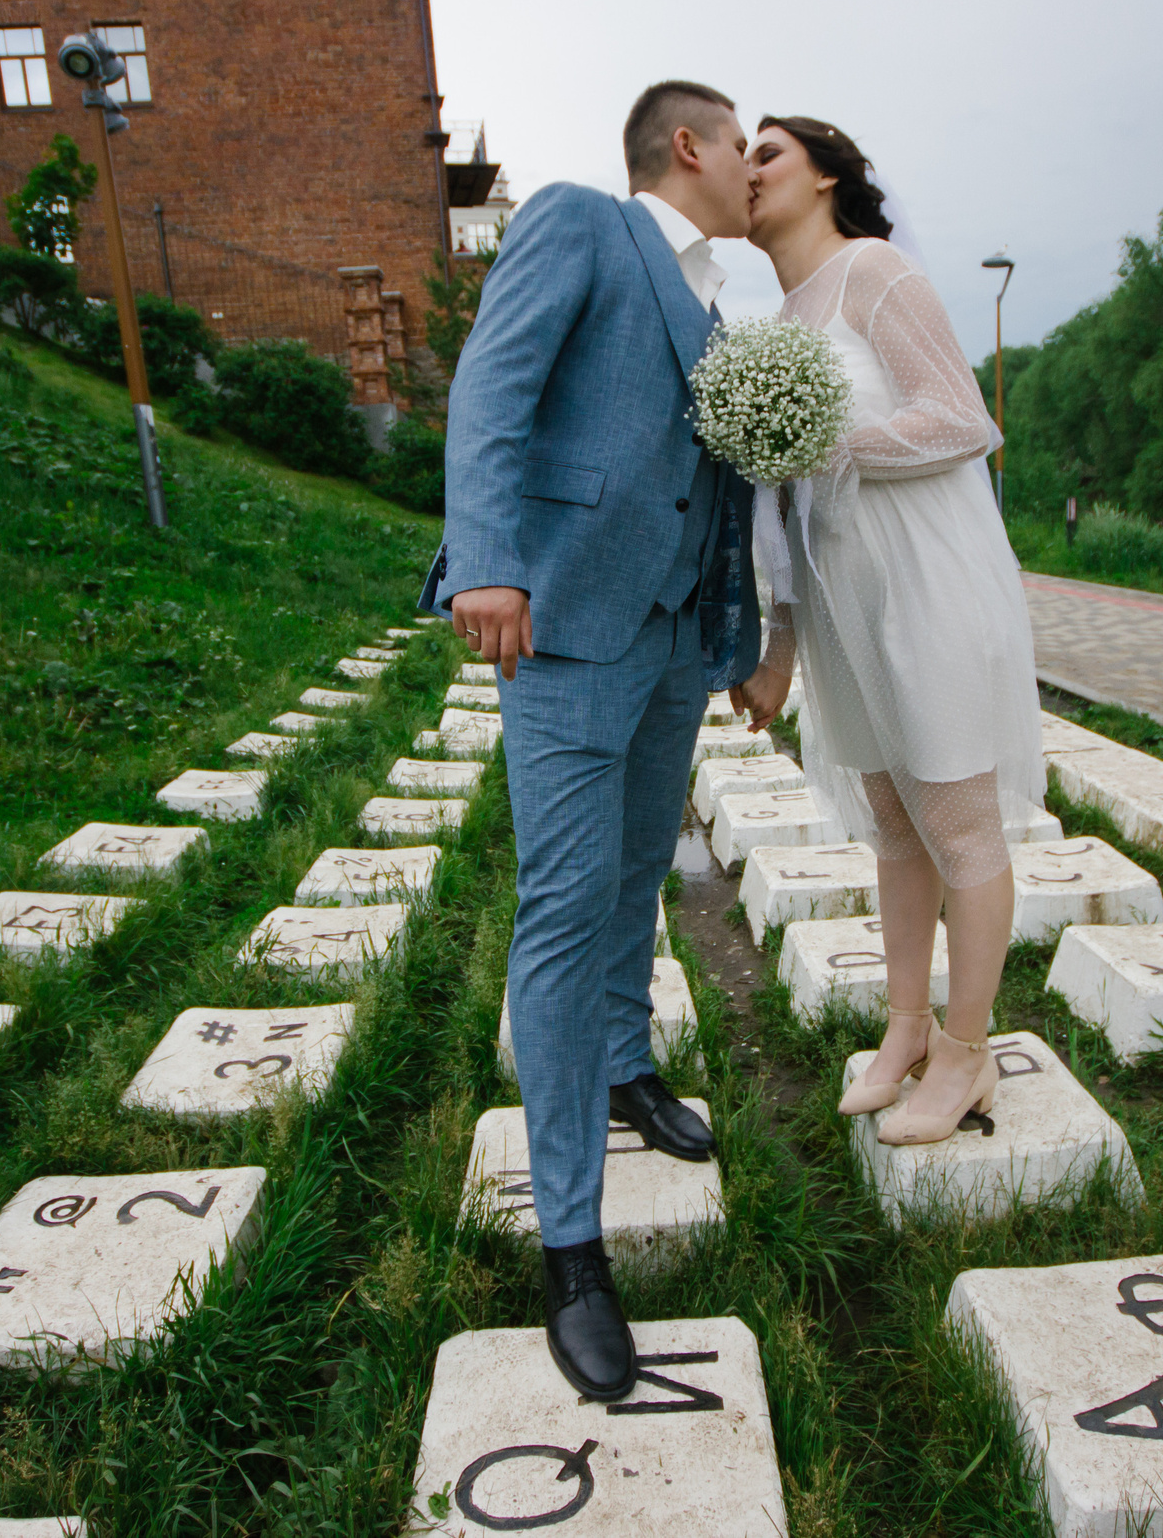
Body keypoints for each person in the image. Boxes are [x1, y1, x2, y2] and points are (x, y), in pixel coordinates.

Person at [420, 80, 764, 1403]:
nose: (752, 168)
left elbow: (716, 496)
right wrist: (487, 558)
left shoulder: (720, 311)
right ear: (687, 146)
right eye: (740, 145)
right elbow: (492, 387)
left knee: (636, 877)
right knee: (564, 909)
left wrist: (741, 633)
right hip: (561, 619)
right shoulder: (579, 221)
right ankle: (571, 1245)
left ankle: (626, 1066)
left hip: (672, 638)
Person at [733, 115, 1046, 1147]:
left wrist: (834, 440)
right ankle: (905, 1025)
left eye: (768, 153)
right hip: (843, 609)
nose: (747, 171)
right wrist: (780, 650)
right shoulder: (780, 320)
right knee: (895, 824)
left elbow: (961, 419)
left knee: (958, 822)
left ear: (826, 175)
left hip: (924, 585)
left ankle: (967, 1052)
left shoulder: (875, 272)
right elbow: (780, 516)